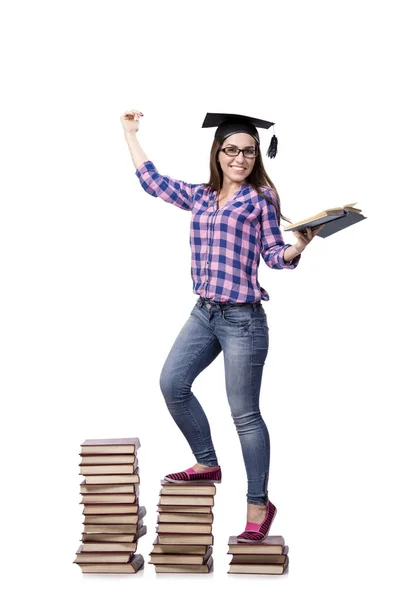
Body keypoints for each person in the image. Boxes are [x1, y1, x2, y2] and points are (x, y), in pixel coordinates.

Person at [121, 109, 322, 542]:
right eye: (232, 149)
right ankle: (206, 462)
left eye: (248, 152)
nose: (240, 158)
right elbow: (153, 182)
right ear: (218, 152)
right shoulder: (201, 195)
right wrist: (129, 132)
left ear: (255, 157)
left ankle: (257, 502)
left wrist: (297, 246)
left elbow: (273, 255)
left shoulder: (261, 199)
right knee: (172, 383)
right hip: (204, 313)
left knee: (245, 415)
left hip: (243, 320)